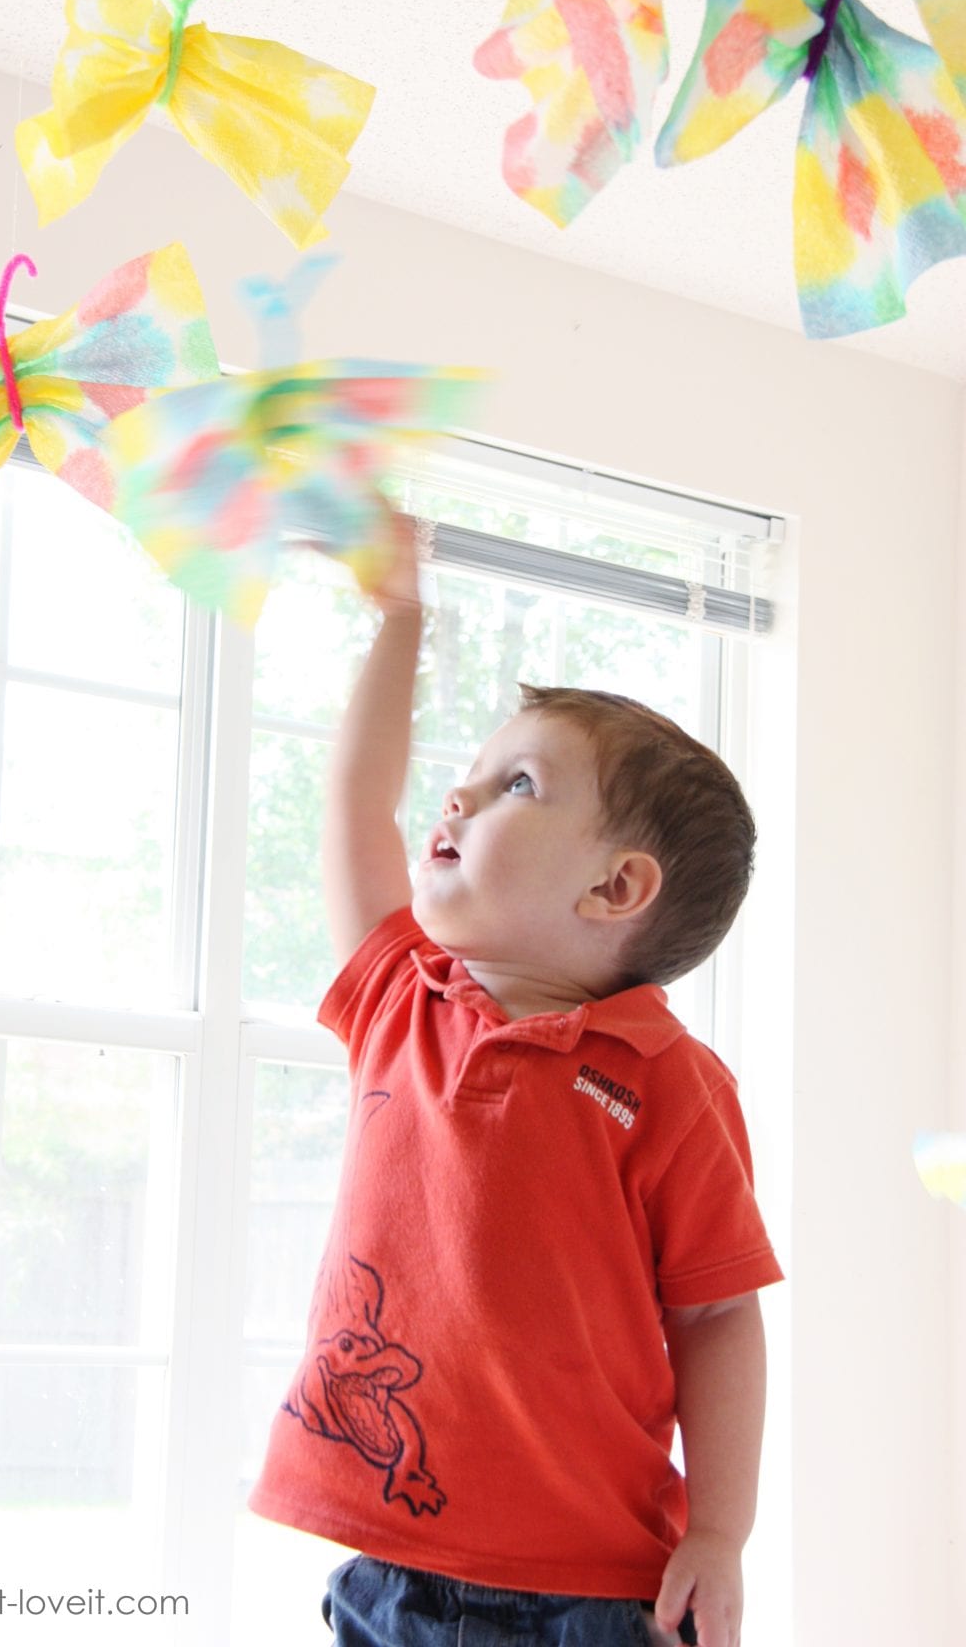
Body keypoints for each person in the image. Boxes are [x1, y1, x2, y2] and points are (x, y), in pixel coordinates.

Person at [248, 513, 783, 1647]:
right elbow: (356, 807)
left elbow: (721, 1315)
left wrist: (722, 1535)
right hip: (391, 1565)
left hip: (592, 1591)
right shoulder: (400, 998)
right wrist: (399, 619)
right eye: (469, 777)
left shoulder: (672, 1086)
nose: (460, 800)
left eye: (517, 788)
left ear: (615, 888)